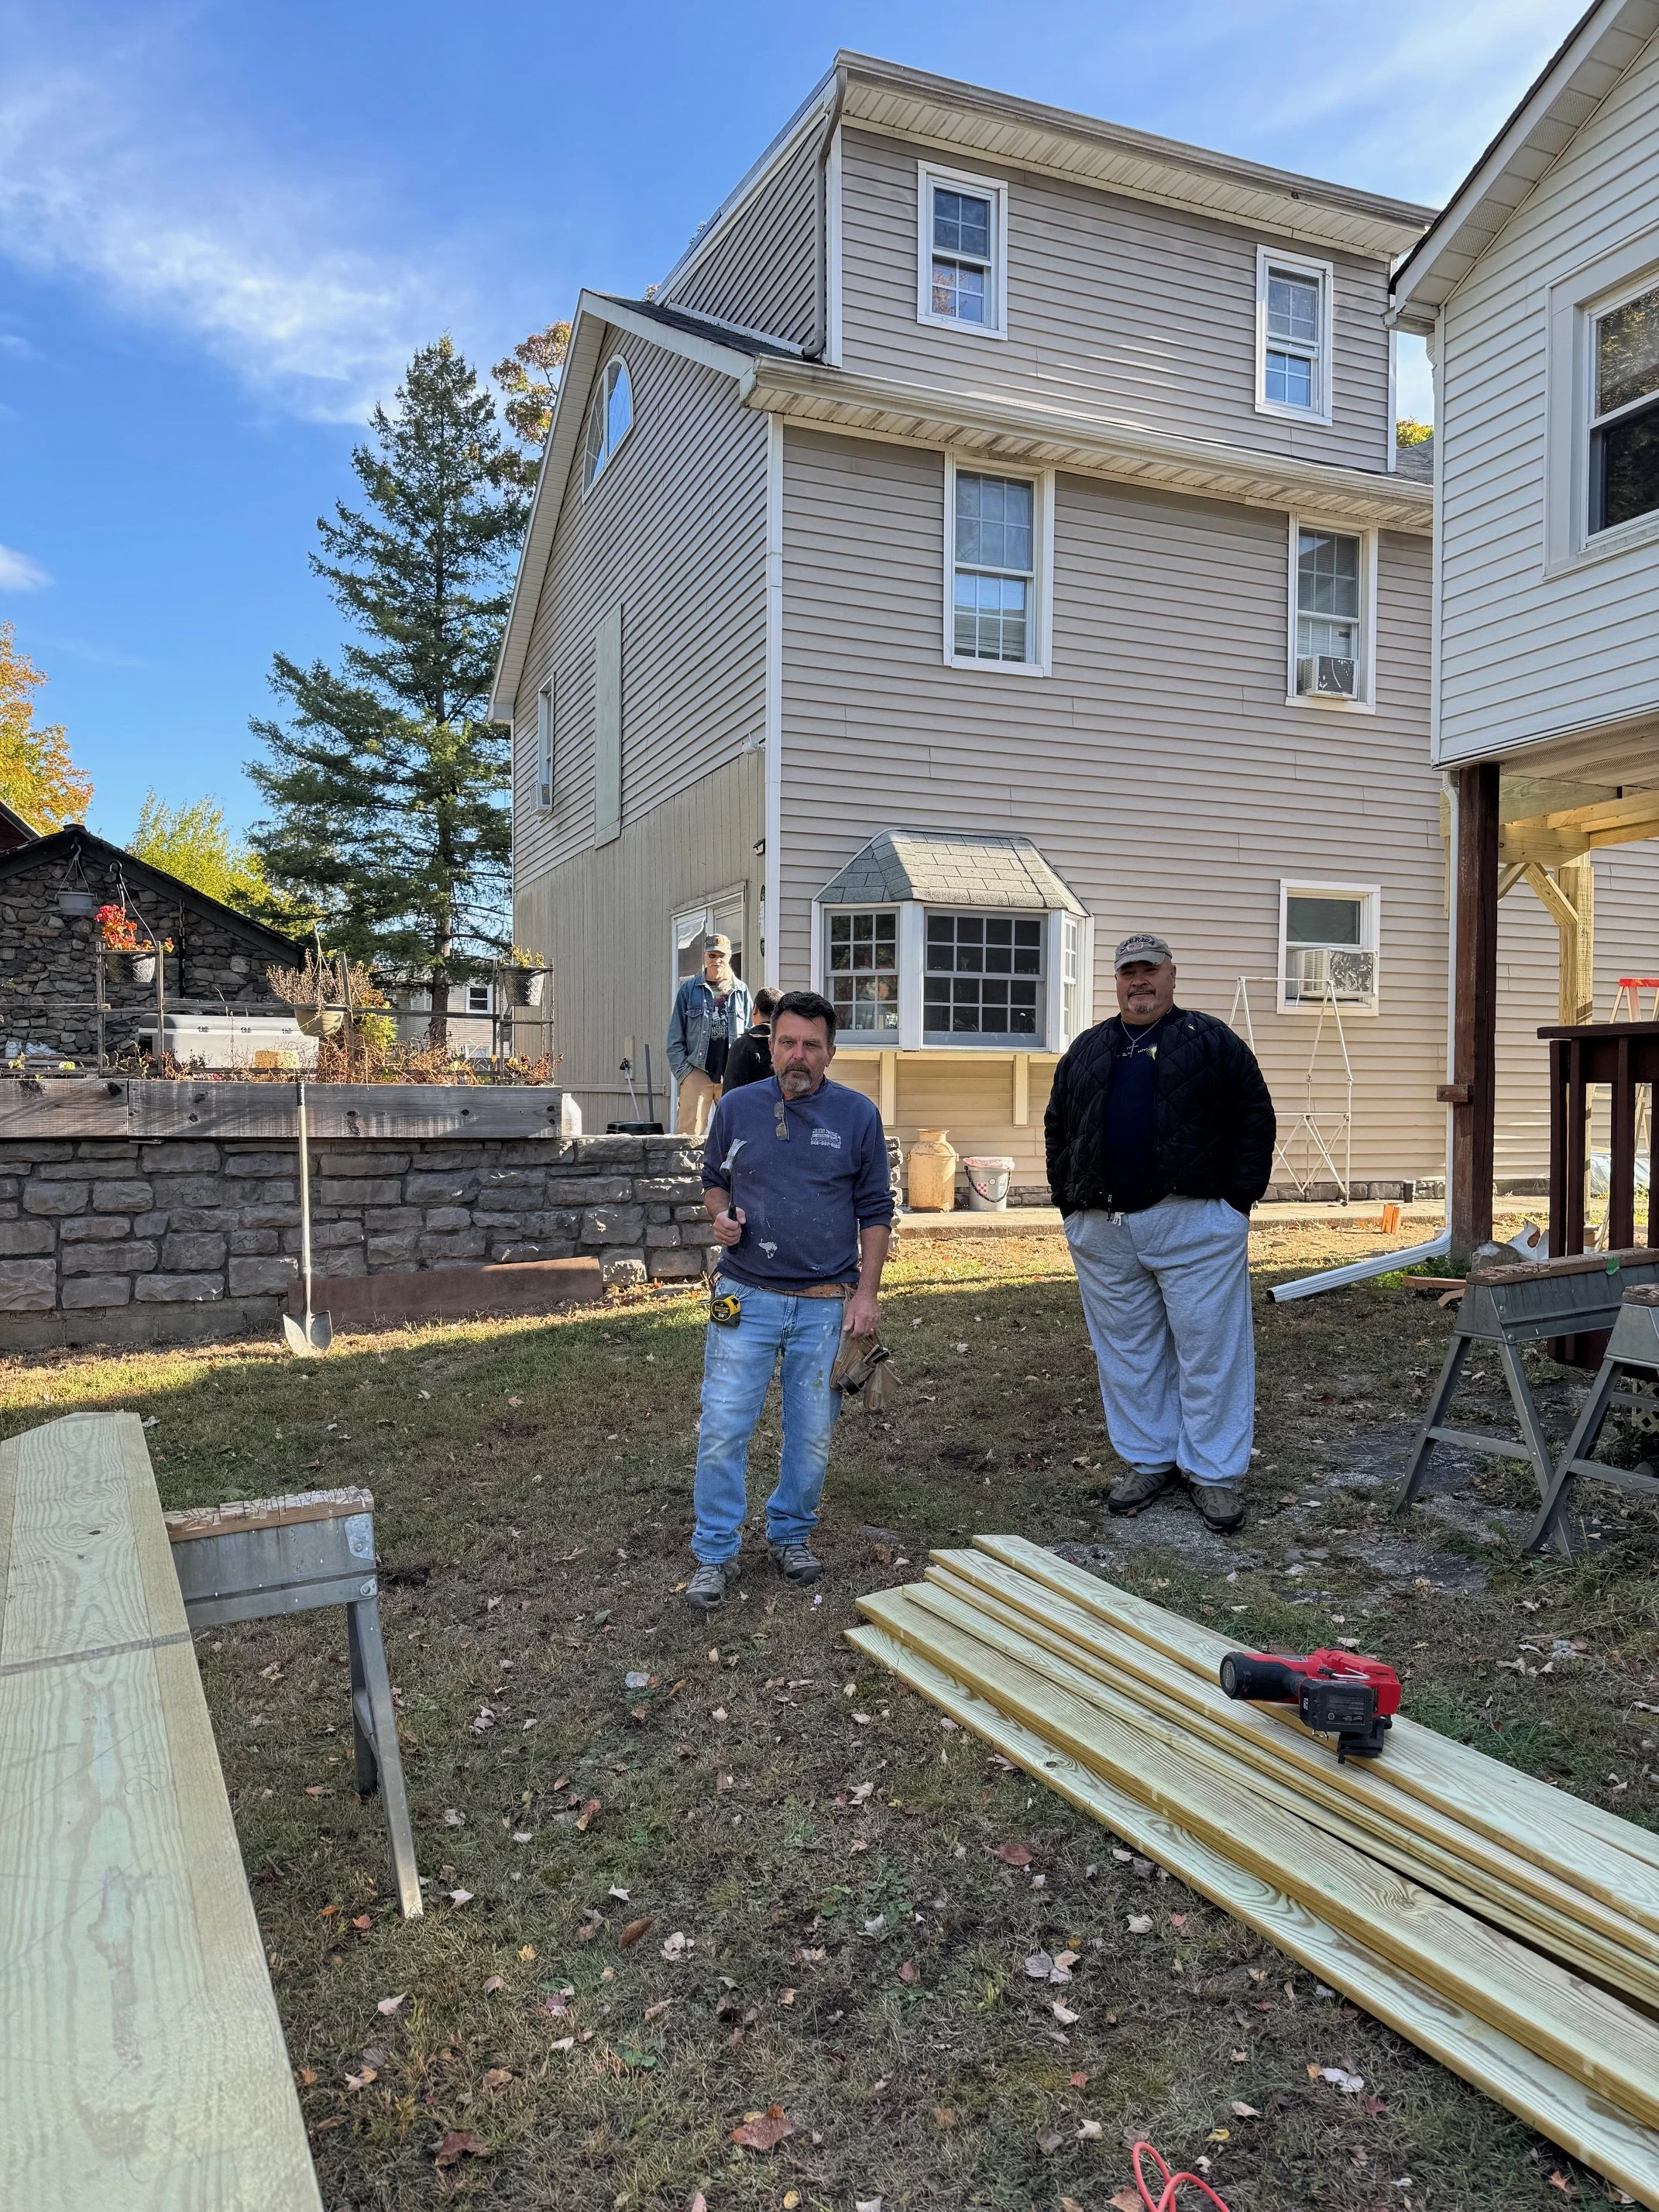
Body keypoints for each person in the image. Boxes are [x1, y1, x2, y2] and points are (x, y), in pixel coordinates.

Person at [1044, 933, 1275, 1535]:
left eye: (1150, 970)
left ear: (1172, 976)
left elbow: (1255, 1115)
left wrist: (1235, 1205)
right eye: (1128, 972)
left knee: (1210, 1350)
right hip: (1104, 1229)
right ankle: (1150, 1460)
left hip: (1195, 1223)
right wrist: (1070, 1207)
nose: (1138, 981)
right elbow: (1059, 1128)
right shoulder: (1088, 1049)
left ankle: (1214, 1473)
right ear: (1116, 981)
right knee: (1128, 1353)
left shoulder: (1211, 1041)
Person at [685, 990, 893, 1609]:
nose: (797, 1055)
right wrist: (720, 1219)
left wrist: (867, 1295)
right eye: (786, 1042)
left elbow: (876, 1211)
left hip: (826, 1303)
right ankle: (715, 1553)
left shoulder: (857, 1116)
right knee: (723, 1428)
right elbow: (714, 1183)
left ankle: (791, 1535)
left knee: (811, 1436)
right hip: (745, 1297)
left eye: (811, 1044)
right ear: (769, 1043)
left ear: (831, 1051)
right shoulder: (738, 1108)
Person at [667, 936, 753, 1136]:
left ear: (729, 956)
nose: (716, 960)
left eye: (721, 955)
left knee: (735, 1134)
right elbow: (674, 1038)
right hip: (697, 1070)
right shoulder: (688, 990)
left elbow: (750, 1033)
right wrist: (685, 1074)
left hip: (732, 1072)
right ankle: (686, 1170)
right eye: (712, 955)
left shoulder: (741, 990)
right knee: (688, 1138)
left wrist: (746, 1071)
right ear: (705, 956)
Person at [722, 987, 780, 1094]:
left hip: (750, 1108)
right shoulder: (790, 1045)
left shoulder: (743, 1044)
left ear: (755, 1009)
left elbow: (730, 1093)